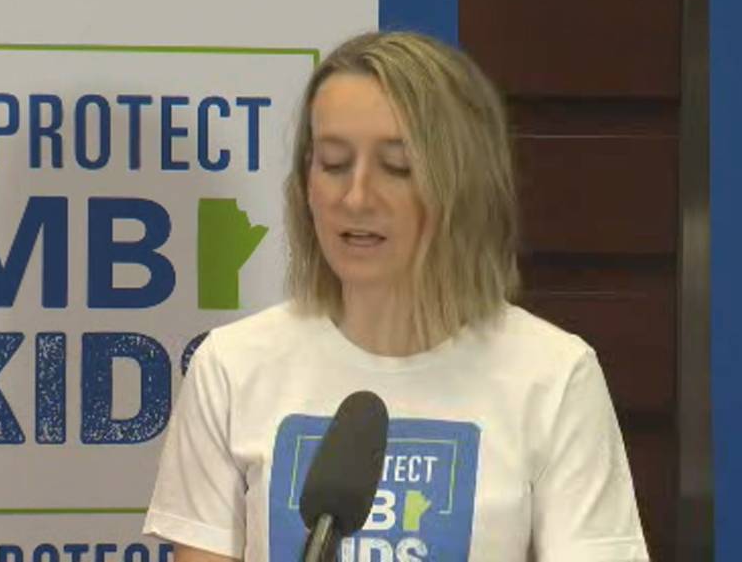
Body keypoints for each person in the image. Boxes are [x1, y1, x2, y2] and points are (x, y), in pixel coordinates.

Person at [143, 31, 649, 562]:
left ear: (464, 185)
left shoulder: (555, 376)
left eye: (398, 167)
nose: (357, 197)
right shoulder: (231, 366)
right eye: (333, 163)